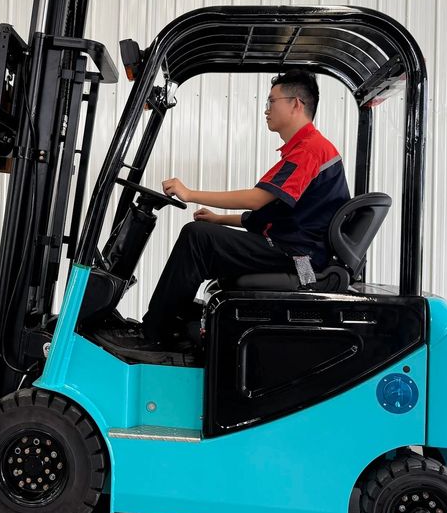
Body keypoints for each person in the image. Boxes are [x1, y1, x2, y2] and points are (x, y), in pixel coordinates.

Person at [127, 69, 351, 350]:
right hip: (292, 248)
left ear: (296, 104)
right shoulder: (306, 149)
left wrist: (190, 193)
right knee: (203, 235)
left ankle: (155, 333)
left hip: (299, 257)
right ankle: (175, 323)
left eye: (271, 101)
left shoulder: (310, 150)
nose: (266, 110)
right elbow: (269, 215)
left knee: (197, 237)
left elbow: (256, 200)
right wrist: (218, 219)